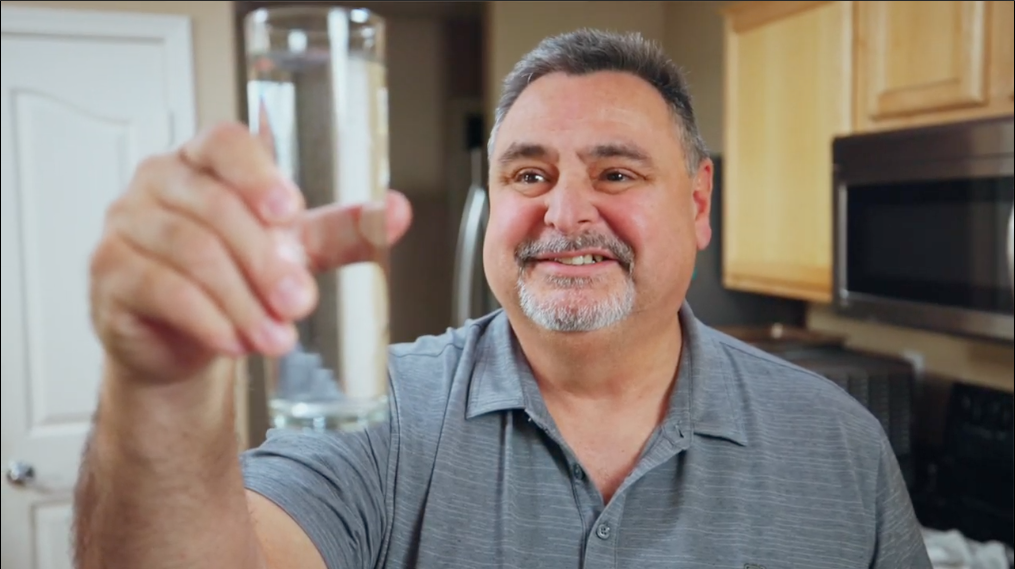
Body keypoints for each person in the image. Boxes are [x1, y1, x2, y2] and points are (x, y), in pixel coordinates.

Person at [74, 29, 932, 569]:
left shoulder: (839, 446)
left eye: (615, 172)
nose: (563, 212)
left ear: (698, 202)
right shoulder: (384, 414)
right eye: (528, 173)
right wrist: (158, 388)